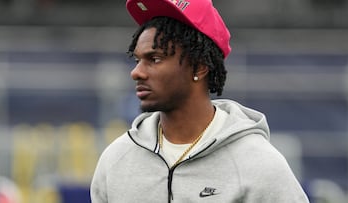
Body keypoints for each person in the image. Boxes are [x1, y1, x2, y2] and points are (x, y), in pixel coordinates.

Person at [90, 0, 310, 202]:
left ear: (199, 67)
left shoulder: (259, 164)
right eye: (138, 60)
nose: (136, 72)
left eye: (154, 59)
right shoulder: (117, 158)